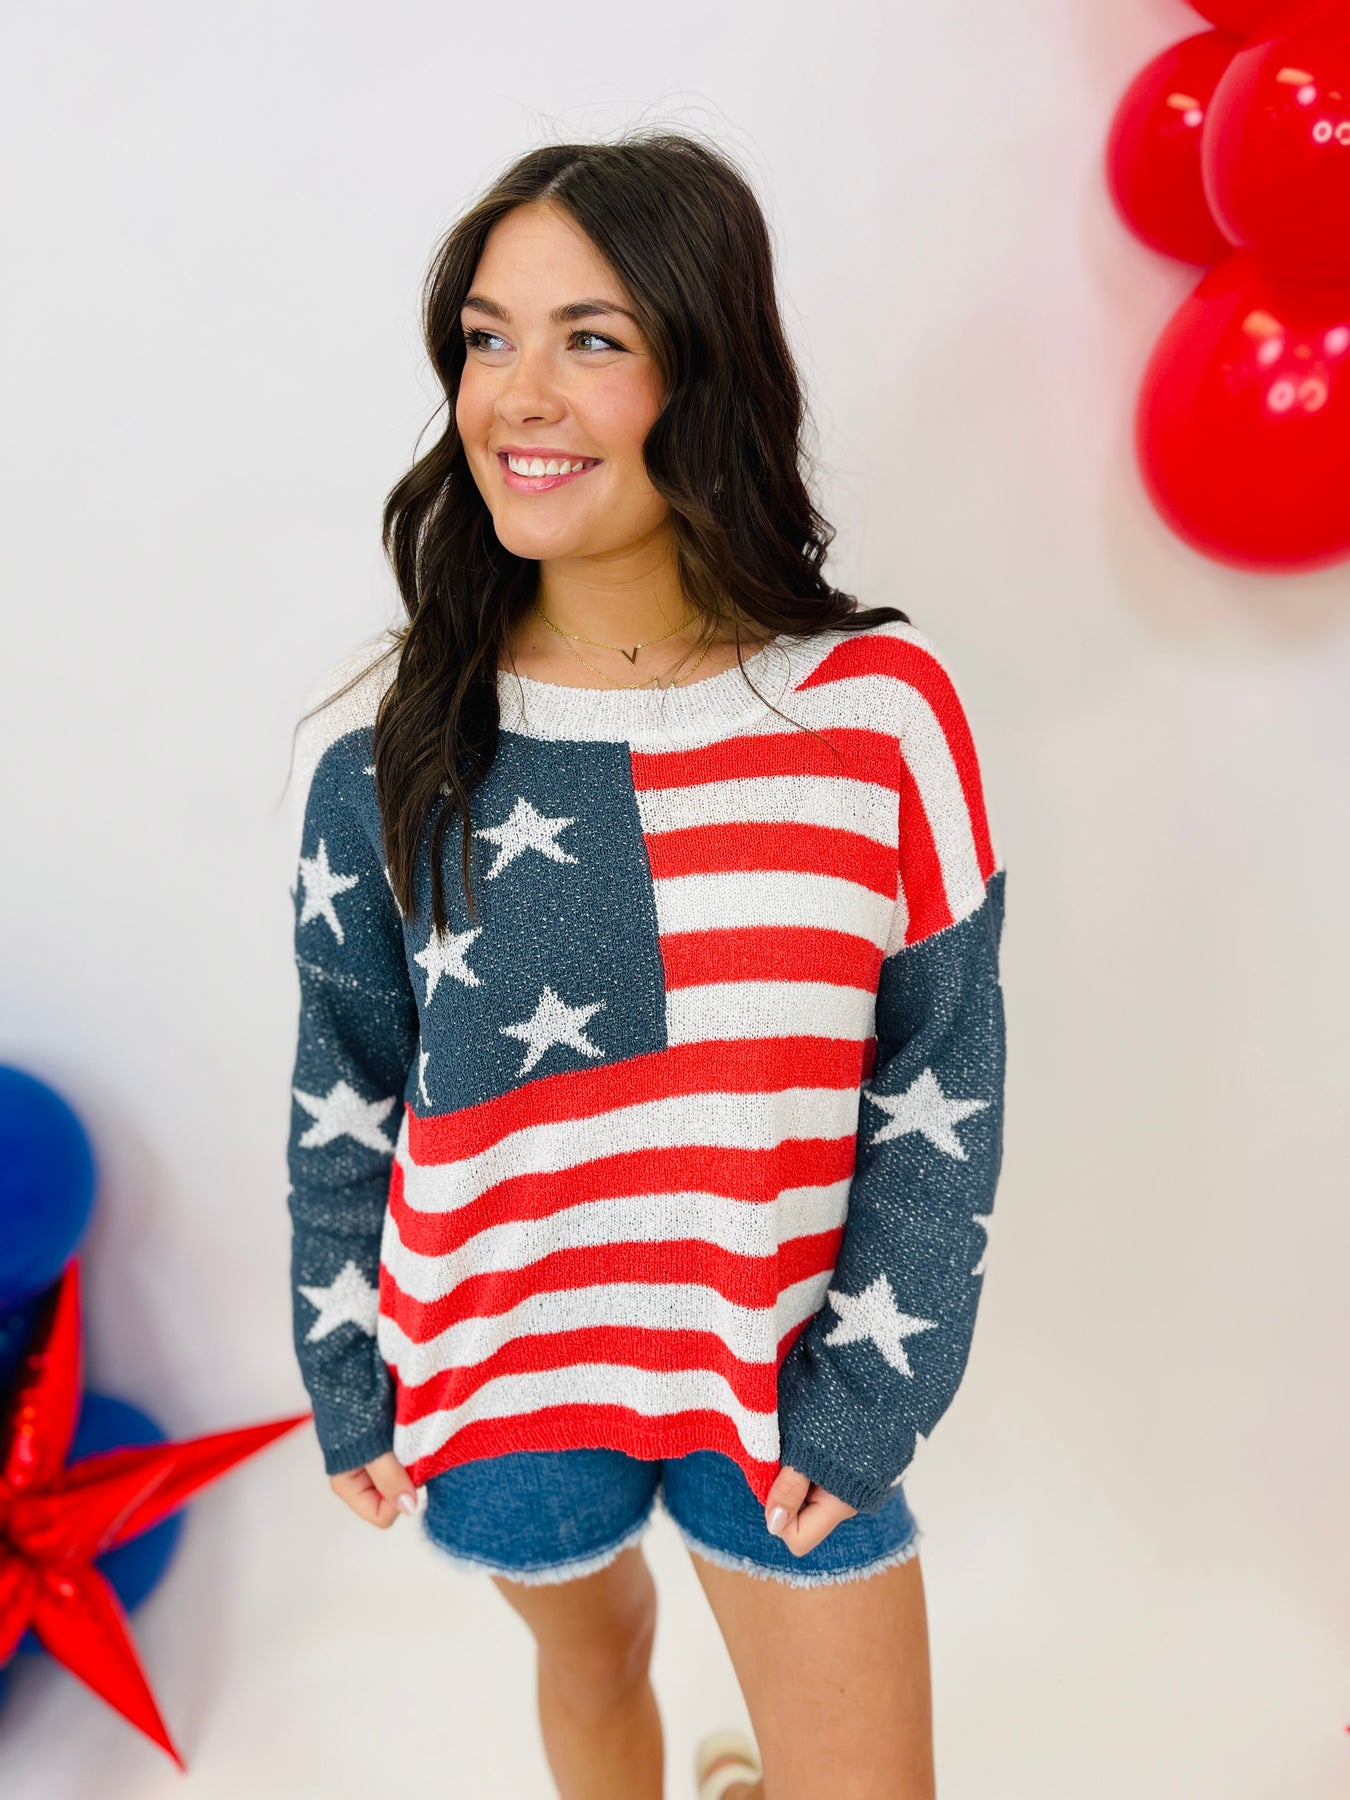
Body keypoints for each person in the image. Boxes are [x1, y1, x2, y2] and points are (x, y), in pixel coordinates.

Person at [284, 129, 1007, 1800]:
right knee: (593, 1661)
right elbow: (348, 1081)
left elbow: (941, 1072)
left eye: (590, 339)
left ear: (708, 373)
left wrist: (873, 1395)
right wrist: (345, 1363)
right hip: (502, 1367)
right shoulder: (389, 752)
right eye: (488, 339)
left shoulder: (877, 715)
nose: (519, 395)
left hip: (785, 1385)